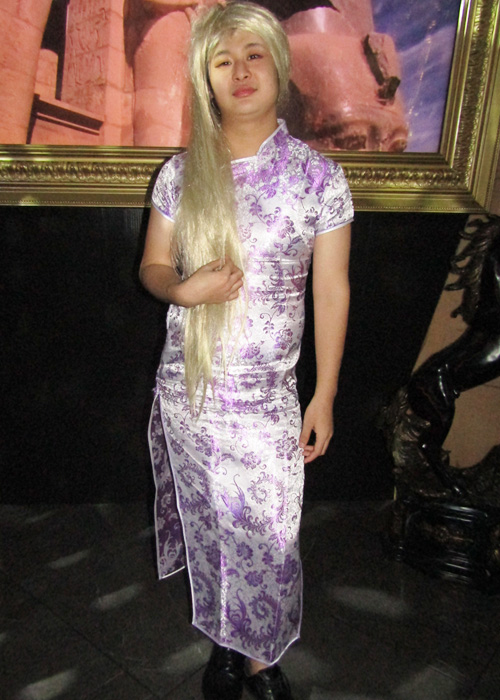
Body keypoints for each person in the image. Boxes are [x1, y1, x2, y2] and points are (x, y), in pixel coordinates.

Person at [139, 3, 353, 699]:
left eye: (253, 55)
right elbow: (152, 267)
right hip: (191, 394)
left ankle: (263, 664)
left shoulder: (318, 178)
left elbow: (331, 290)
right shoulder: (181, 174)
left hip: (267, 401)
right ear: (205, 77)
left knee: (268, 536)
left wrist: (324, 395)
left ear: (279, 66)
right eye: (222, 60)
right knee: (212, 530)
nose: (240, 71)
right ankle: (228, 645)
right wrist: (182, 289)